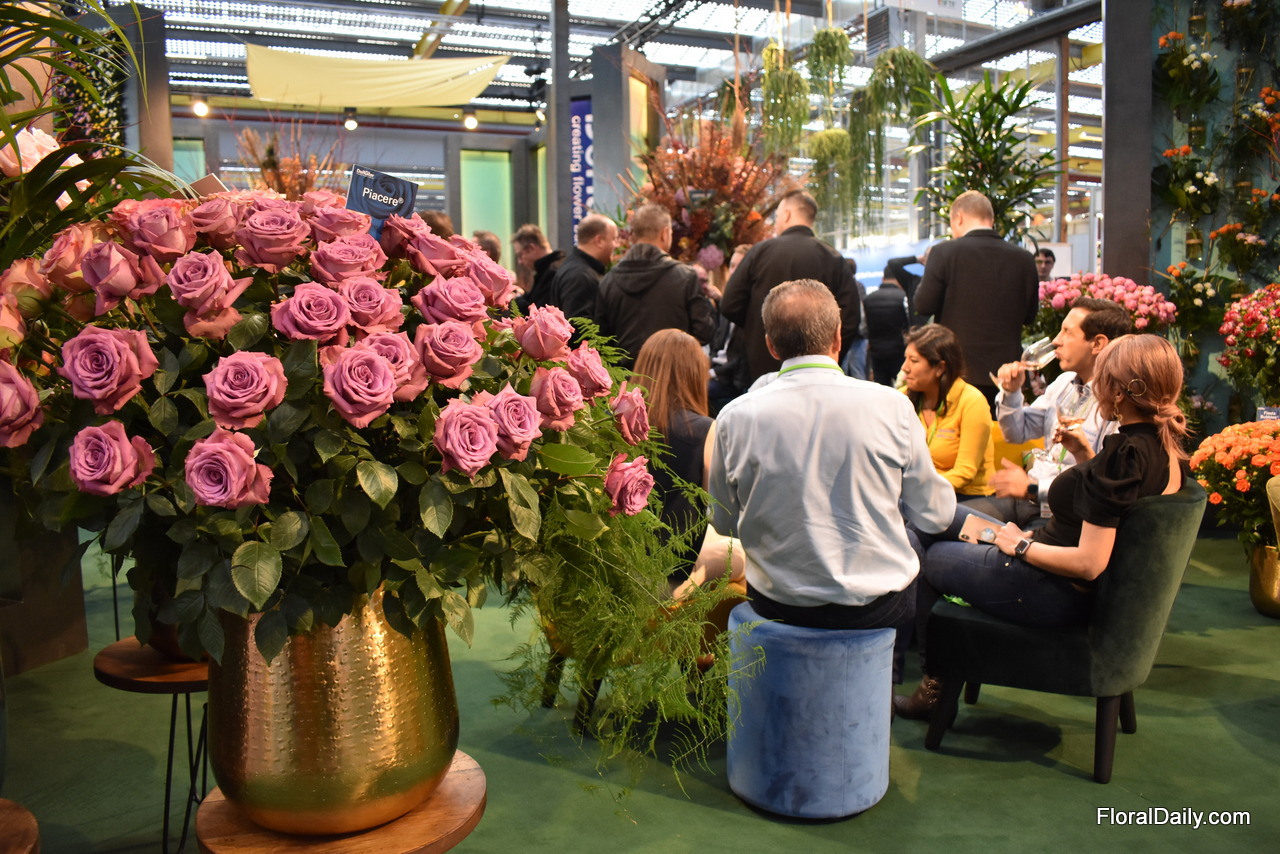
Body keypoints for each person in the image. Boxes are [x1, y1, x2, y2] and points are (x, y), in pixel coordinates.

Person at [895, 334, 1190, 719]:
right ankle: (915, 670)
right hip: (1046, 558)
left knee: (929, 554)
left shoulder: (1126, 456)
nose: (1095, 388)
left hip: (1046, 585)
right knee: (933, 516)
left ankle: (929, 688)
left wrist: (1021, 547)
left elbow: (1089, 563)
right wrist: (1084, 455)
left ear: (1118, 392)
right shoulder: (1164, 448)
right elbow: (1112, 508)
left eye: (1101, 379)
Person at [709, 279, 955, 680]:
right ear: (838, 337)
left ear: (772, 346)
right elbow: (936, 516)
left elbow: (723, 524)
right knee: (911, 542)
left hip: (777, 600)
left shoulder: (734, 417)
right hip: (875, 605)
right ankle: (886, 685)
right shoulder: (892, 406)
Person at [974, 298, 1134, 528]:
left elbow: (1100, 485)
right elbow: (1016, 432)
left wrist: (1033, 488)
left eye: (1067, 332)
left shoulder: (1116, 404)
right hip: (1024, 500)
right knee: (937, 521)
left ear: (1097, 343)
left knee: (969, 541)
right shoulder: (1064, 383)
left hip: (1062, 515)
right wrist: (1011, 392)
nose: (1056, 340)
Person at [631, 329, 744, 593]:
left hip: (624, 567)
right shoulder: (705, 430)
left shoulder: (618, 421)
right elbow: (721, 512)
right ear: (695, 373)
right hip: (673, 577)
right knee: (742, 554)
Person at [719, 190, 861, 391]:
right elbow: (851, 317)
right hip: (818, 375)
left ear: (786, 214)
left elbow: (729, 305)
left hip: (762, 367)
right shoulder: (833, 258)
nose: (775, 222)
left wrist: (759, 328)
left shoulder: (759, 253)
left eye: (776, 216)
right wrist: (829, 353)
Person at [912, 190, 1039, 407]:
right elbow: (1030, 316)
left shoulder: (944, 253)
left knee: (958, 428)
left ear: (959, 218)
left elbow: (923, 305)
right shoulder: (1024, 258)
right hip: (1007, 374)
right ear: (991, 219)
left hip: (956, 370)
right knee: (1004, 427)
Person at [595, 205, 716, 369]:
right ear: (664, 233)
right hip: (673, 375)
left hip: (625, 379)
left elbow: (600, 341)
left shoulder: (608, 281)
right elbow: (704, 332)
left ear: (634, 234)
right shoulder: (685, 277)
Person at [900, 324, 995, 500]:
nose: (905, 367)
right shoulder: (902, 398)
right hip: (917, 494)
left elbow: (964, 473)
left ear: (940, 368)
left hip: (965, 495)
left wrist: (918, 489)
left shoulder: (972, 401)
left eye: (914, 361)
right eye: (905, 359)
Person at [545, 213, 618, 323]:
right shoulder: (580, 276)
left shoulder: (574, 268)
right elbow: (579, 327)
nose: (616, 245)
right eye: (614, 239)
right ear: (599, 240)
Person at [863, 265, 910, 385]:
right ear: (899, 279)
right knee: (903, 386)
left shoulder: (868, 299)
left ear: (883, 278)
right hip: (900, 352)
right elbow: (910, 324)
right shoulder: (904, 297)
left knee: (881, 388)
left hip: (877, 353)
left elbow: (863, 327)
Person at [511, 223, 564, 312]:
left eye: (520, 255)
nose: (520, 261)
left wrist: (515, 300)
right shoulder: (548, 269)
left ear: (531, 248)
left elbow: (539, 312)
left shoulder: (552, 273)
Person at [885, 249, 930, 328]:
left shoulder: (947, 281)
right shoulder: (912, 282)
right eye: (929, 257)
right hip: (918, 332)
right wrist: (916, 259)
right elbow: (893, 263)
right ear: (924, 259)